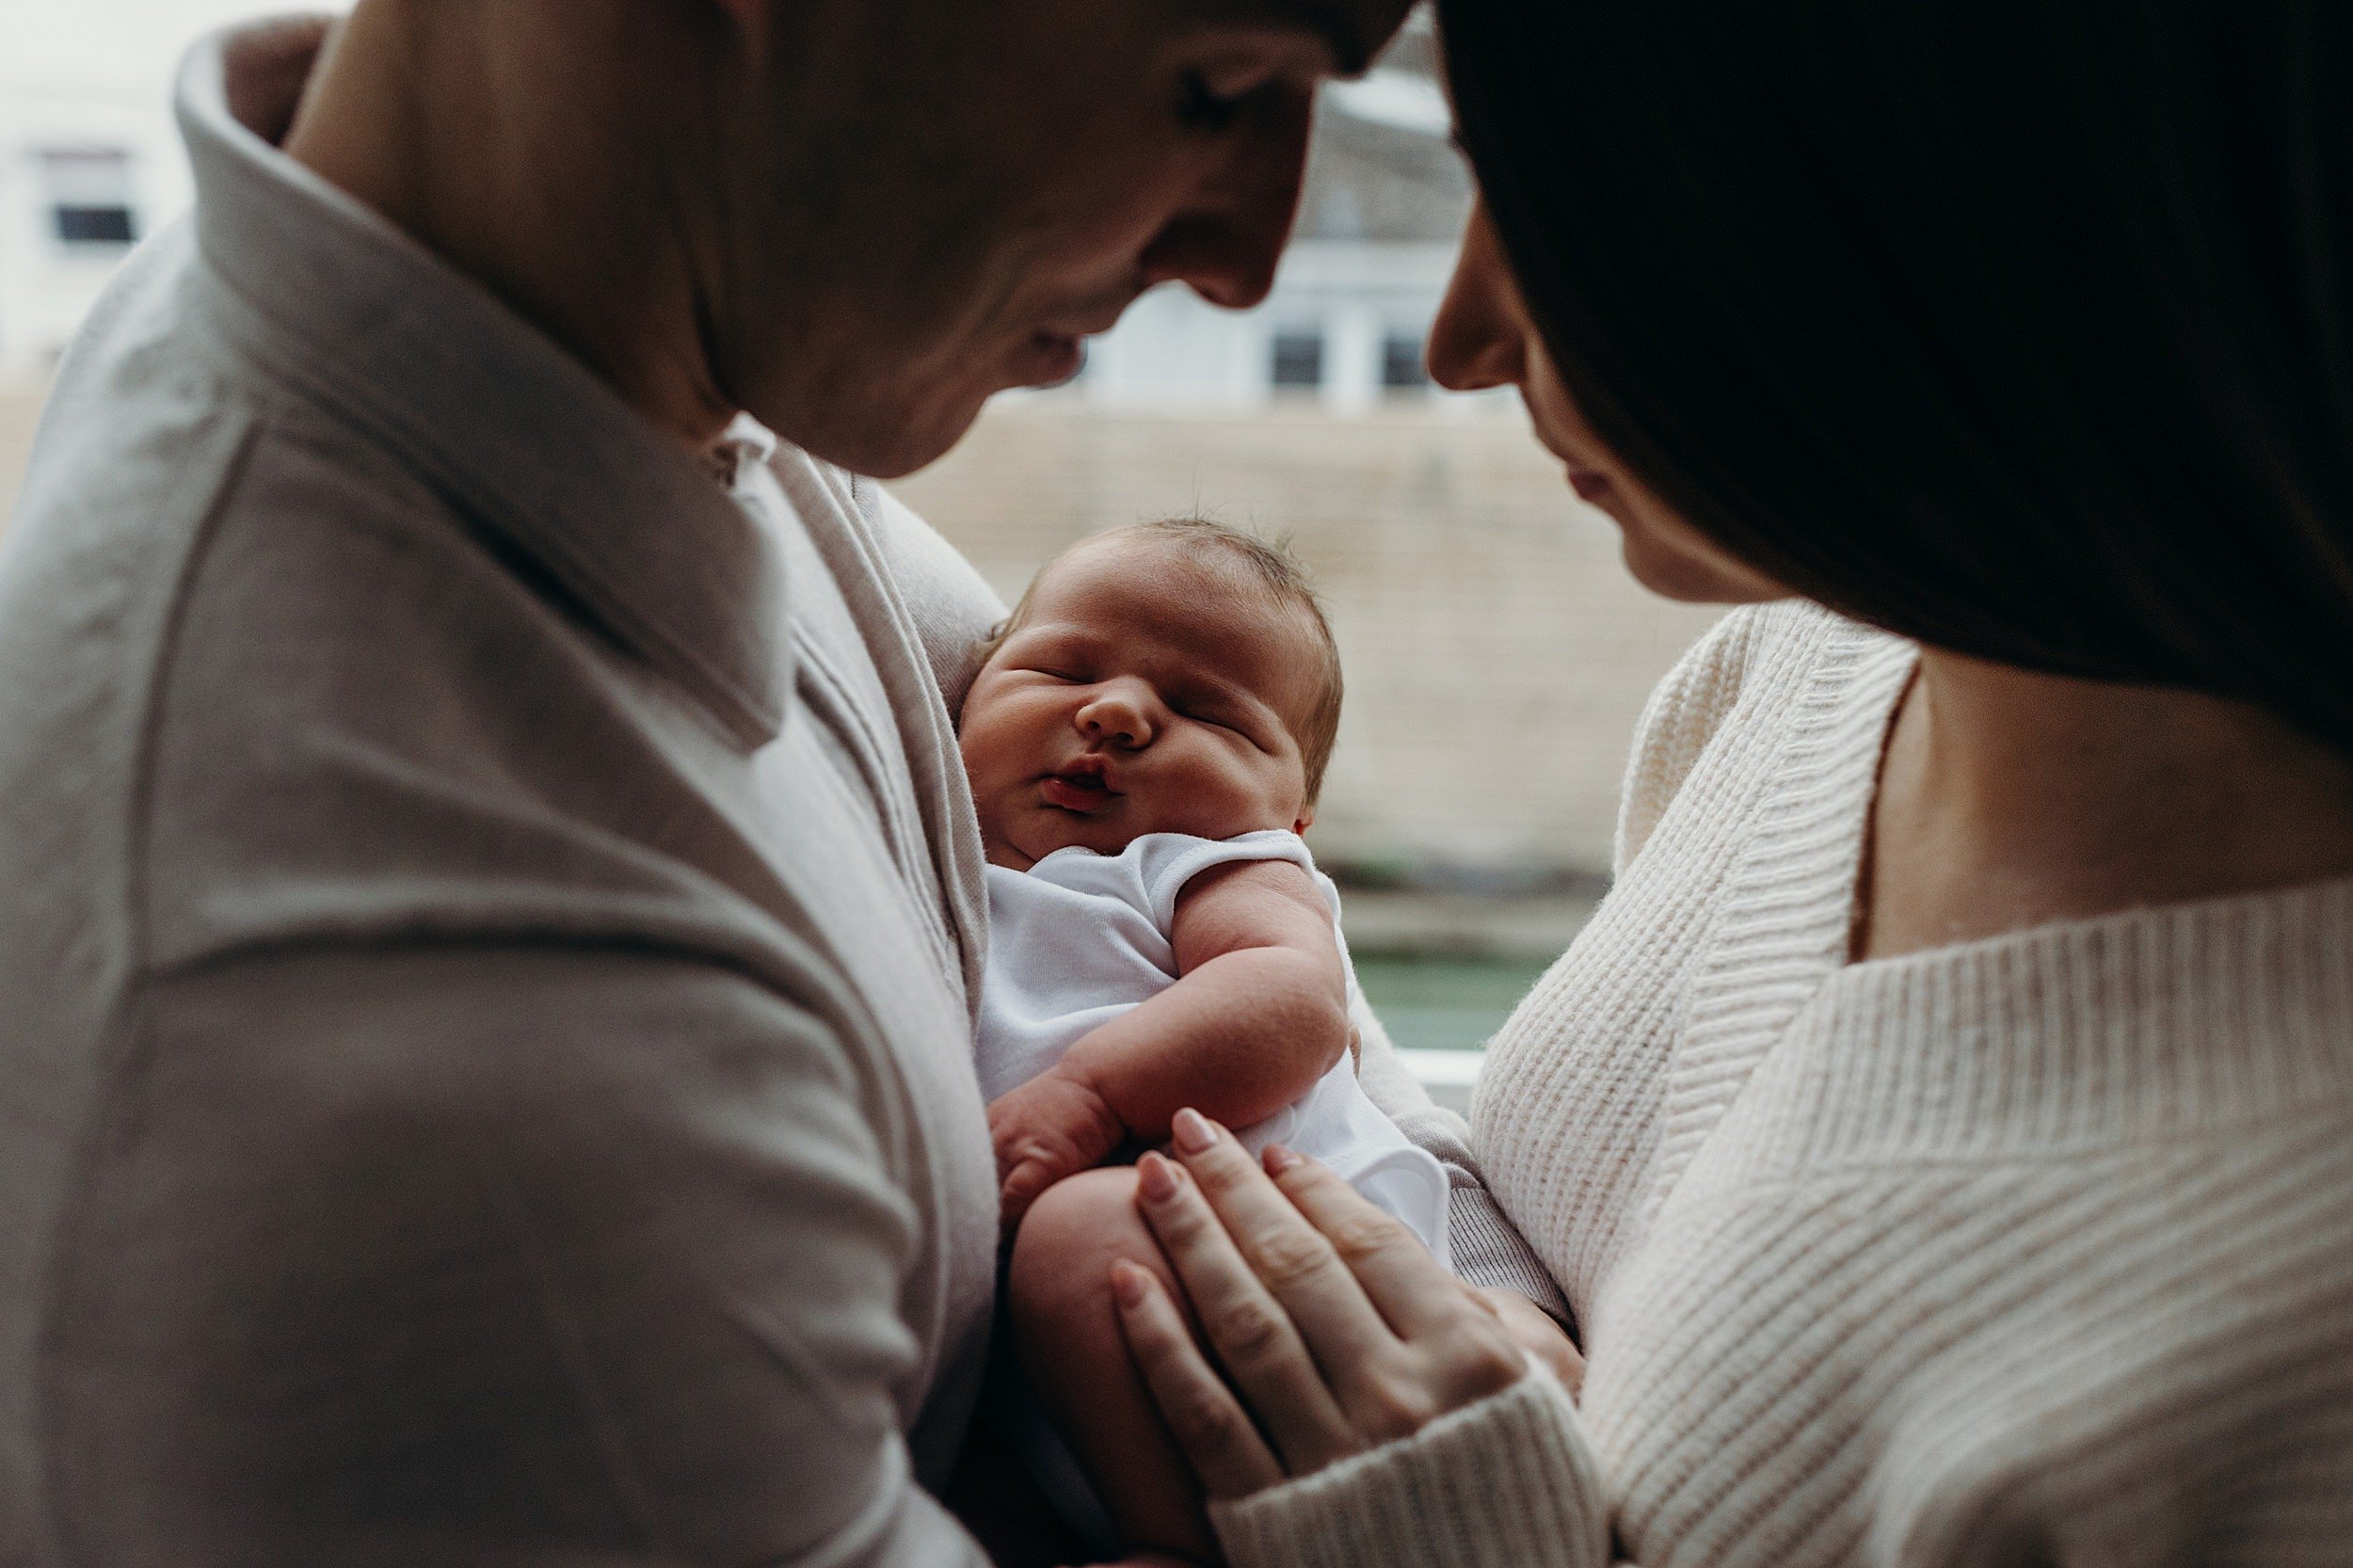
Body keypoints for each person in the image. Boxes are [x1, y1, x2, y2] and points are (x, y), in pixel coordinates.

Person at [0, 4, 1592, 1565]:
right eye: (1214, 84)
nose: (1246, 256)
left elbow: (1283, 967)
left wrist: (1493, 1300)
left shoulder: (672, 387)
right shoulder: (439, 1062)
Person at [1090, 4, 2353, 1565]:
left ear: (1868, 214)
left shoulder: (2304, 1326)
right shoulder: (1791, 678)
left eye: (1560, 226)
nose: (1460, 340)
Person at [962, 520, 1465, 1565]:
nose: (1116, 712)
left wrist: (1090, 1095)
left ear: (1292, 811)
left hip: (1278, 1254)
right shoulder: (941, 850)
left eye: (1208, 713)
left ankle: (1195, 1546)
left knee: (1085, 1232)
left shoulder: (1205, 863)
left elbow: (1290, 998)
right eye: (1059, 667)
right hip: (1062, 1359)